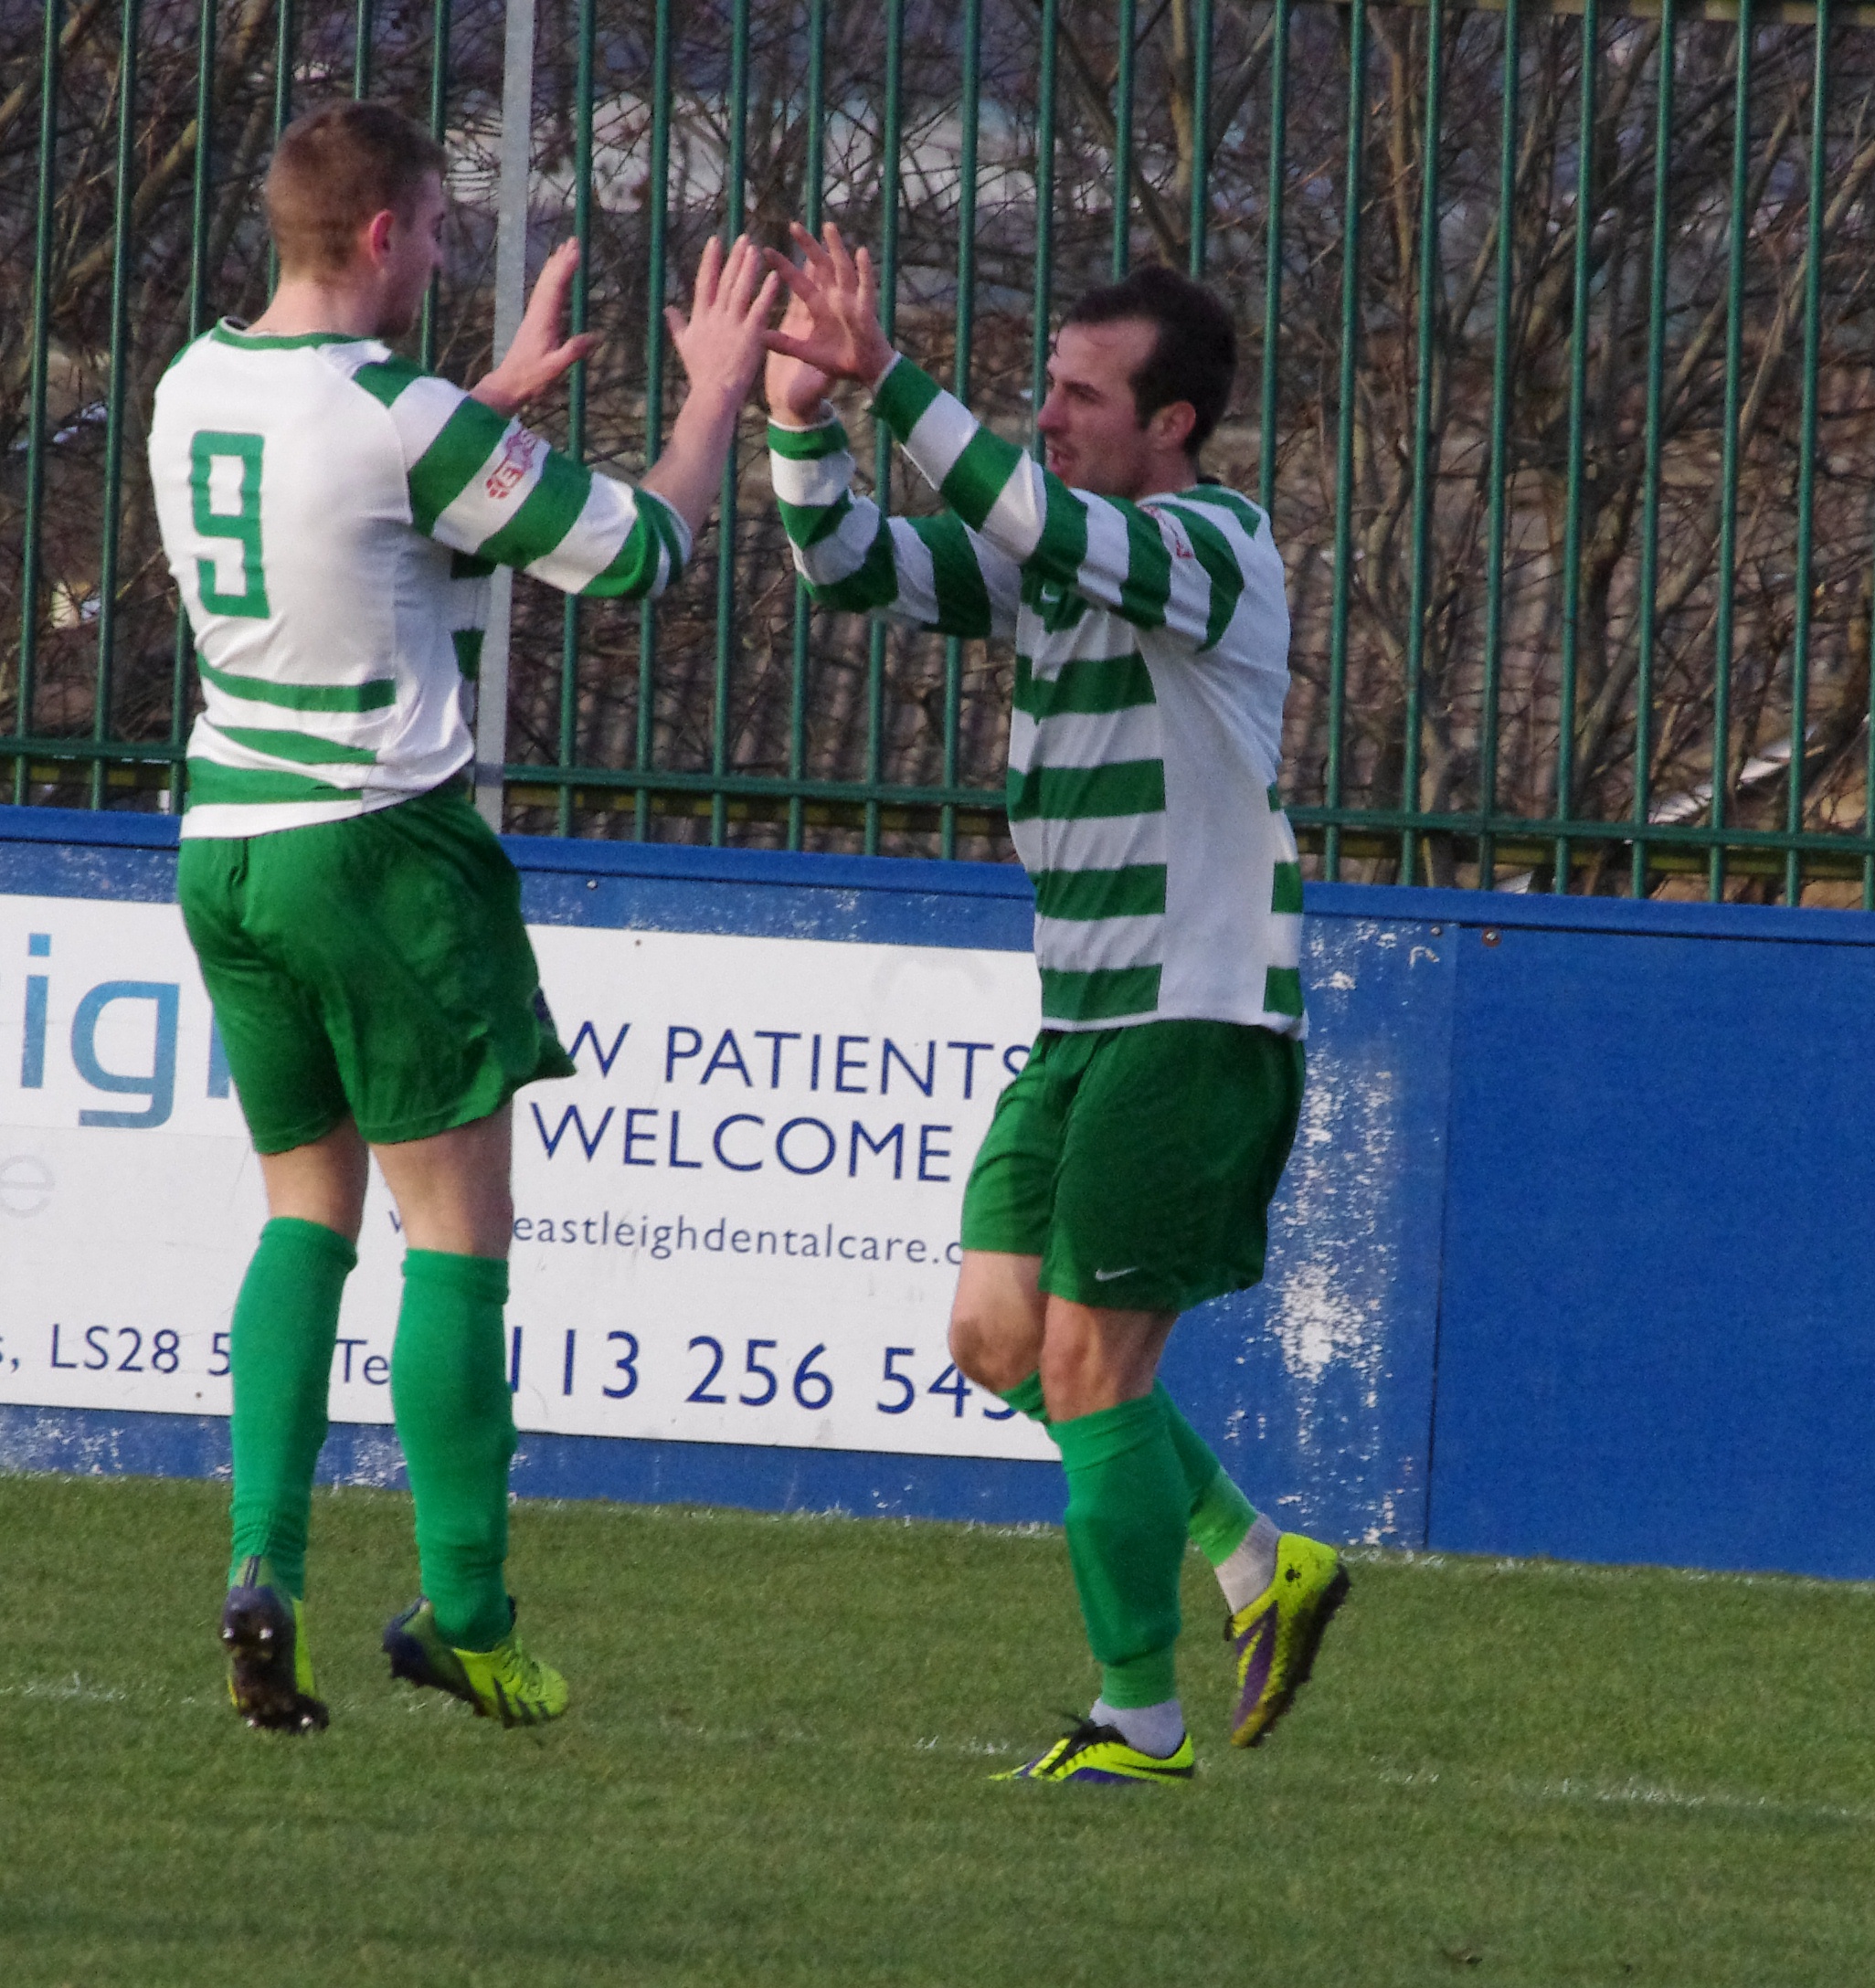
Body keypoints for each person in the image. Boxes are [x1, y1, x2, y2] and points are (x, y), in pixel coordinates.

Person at [151, 99, 789, 1731]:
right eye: (436, 227)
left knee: (306, 1213)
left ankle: (262, 1570)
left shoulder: (190, 384)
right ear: (380, 235)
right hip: (376, 846)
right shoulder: (395, 411)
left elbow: (346, 545)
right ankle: (472, 1611)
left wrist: (479, 414)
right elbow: (641, 551)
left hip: (227, 842)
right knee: (459, 1240)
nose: (444, 254)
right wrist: (716, 392)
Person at [762, 227, 1349, 1786]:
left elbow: (1019, 511)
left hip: (1198, 1019)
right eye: (1051, 387)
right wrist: (803, 421)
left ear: (1174, 427)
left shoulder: (1215, 547)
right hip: (1084, 1022)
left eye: (1088, 396)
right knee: (997, 1337)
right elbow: (845, 566)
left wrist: (887, 375)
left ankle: (1136, 1722)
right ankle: (1253, 1557)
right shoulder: (1055, 548)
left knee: (1094, 1369)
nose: (1056, 414)